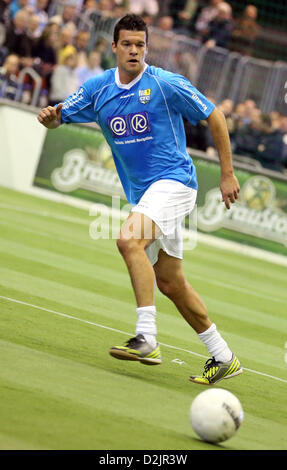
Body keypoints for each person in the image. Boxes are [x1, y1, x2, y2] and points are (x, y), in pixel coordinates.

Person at [37, 13, 242, 386]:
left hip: (176, 183)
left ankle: (146, 337)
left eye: (140, 45)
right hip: (146, 194)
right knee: (170, 281)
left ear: (146, 48)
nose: (134, 51)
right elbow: (61, 116)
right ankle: (223, 355)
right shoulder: (99, 87)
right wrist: (51, 118)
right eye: (127, 44)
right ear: (114, 47)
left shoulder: (165, 84)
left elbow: (215, 116)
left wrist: (227, 174)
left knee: (128, 239)